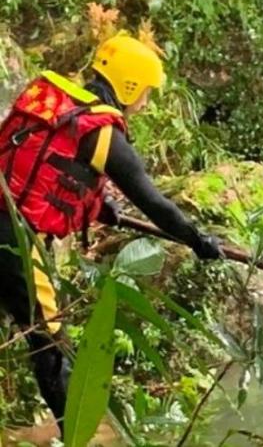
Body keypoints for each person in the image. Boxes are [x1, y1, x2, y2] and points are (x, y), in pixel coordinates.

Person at [0, 34, 222, 433]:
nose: (146, 103)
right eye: (147, 93)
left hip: (5, 216)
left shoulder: (61, 103)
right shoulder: (102, 133)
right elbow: (155, 204)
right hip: (13, 235)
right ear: (130, 84)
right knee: (51, 341)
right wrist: (196, 239)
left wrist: (98, 206)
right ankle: (77, 434)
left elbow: (48, 163)